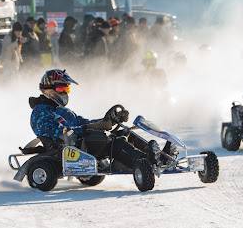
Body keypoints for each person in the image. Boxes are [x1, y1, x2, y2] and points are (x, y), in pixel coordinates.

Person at [28, 69, 168, 169]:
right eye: (61, 89)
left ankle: (158, 156)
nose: (65, 93)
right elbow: (64, 134)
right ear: (47, 90)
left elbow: (83, 122)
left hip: (83, 145)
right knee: (115, 142)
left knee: (125, 134)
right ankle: (145, 164)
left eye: (67, 90)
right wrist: (95, 127)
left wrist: (109, 120)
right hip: (70, 150)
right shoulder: (40, 113)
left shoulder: (60, 110)